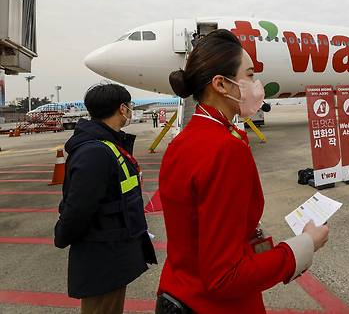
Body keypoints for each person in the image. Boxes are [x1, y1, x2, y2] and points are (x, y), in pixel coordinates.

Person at [156, 29, 329, 313]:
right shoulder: (224, 148)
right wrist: (304, 245)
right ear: (221, 85)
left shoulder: (184, 140)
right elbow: (225, 276)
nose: (256, 84)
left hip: (180, 290)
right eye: (249, 75)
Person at [54, 84, 157, 314]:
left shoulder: (107, 145)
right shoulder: (96, 152)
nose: (130, 111)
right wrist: (62, 235)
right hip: (102, 254)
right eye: (129, 106)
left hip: (111, 250)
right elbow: (79, 206)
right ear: (122, 109)